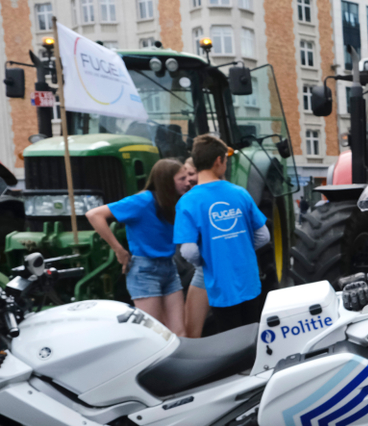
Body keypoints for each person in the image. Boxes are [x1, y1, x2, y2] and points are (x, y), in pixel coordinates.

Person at [174, 135, 270, 334]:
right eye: (225, 161)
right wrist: (240, 246)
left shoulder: (187, 201)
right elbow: (264, 236)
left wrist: (210, 257)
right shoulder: (240, 193)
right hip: (249, 281)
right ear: (219, 160)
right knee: (253, 335)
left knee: (231, 340)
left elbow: (189, 251)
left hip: (219, 284)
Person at [86, 159, 189, 336]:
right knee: (153, 333)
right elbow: (94, 215)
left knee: (179, 332)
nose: (188, 182)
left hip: (169, 268)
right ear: (166, 181)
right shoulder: (142, 201)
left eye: (188, 177)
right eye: (182, 179)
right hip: (145, 271)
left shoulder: (173, 202)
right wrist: (119, 250)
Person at [181, 157, 209, 338]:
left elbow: (188, 251)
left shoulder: (189, 201)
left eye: (191, 174)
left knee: (191, 333)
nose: (187, 180)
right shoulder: (235, 194)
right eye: (184, 176)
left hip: (204, 270)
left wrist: (204, 261)